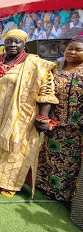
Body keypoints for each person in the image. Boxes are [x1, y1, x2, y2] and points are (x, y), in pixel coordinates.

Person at [0, 29, 58, 198]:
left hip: (20, 114)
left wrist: (42, 117)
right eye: (9, 41)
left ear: (24, 44)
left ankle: (11, 184)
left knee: (14, 146)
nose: (12, 45)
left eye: (17, 42)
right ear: (4, 43)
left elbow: (46, 90)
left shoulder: (35, 64)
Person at [36, 35, 83, 205]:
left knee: (71, 160)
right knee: (50, 155)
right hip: (54, 122)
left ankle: (64, 194)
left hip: (76, 125)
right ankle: (46, 186)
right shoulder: (57, 66)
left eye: (78, 50)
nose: (72, 52)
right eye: (70, 48)